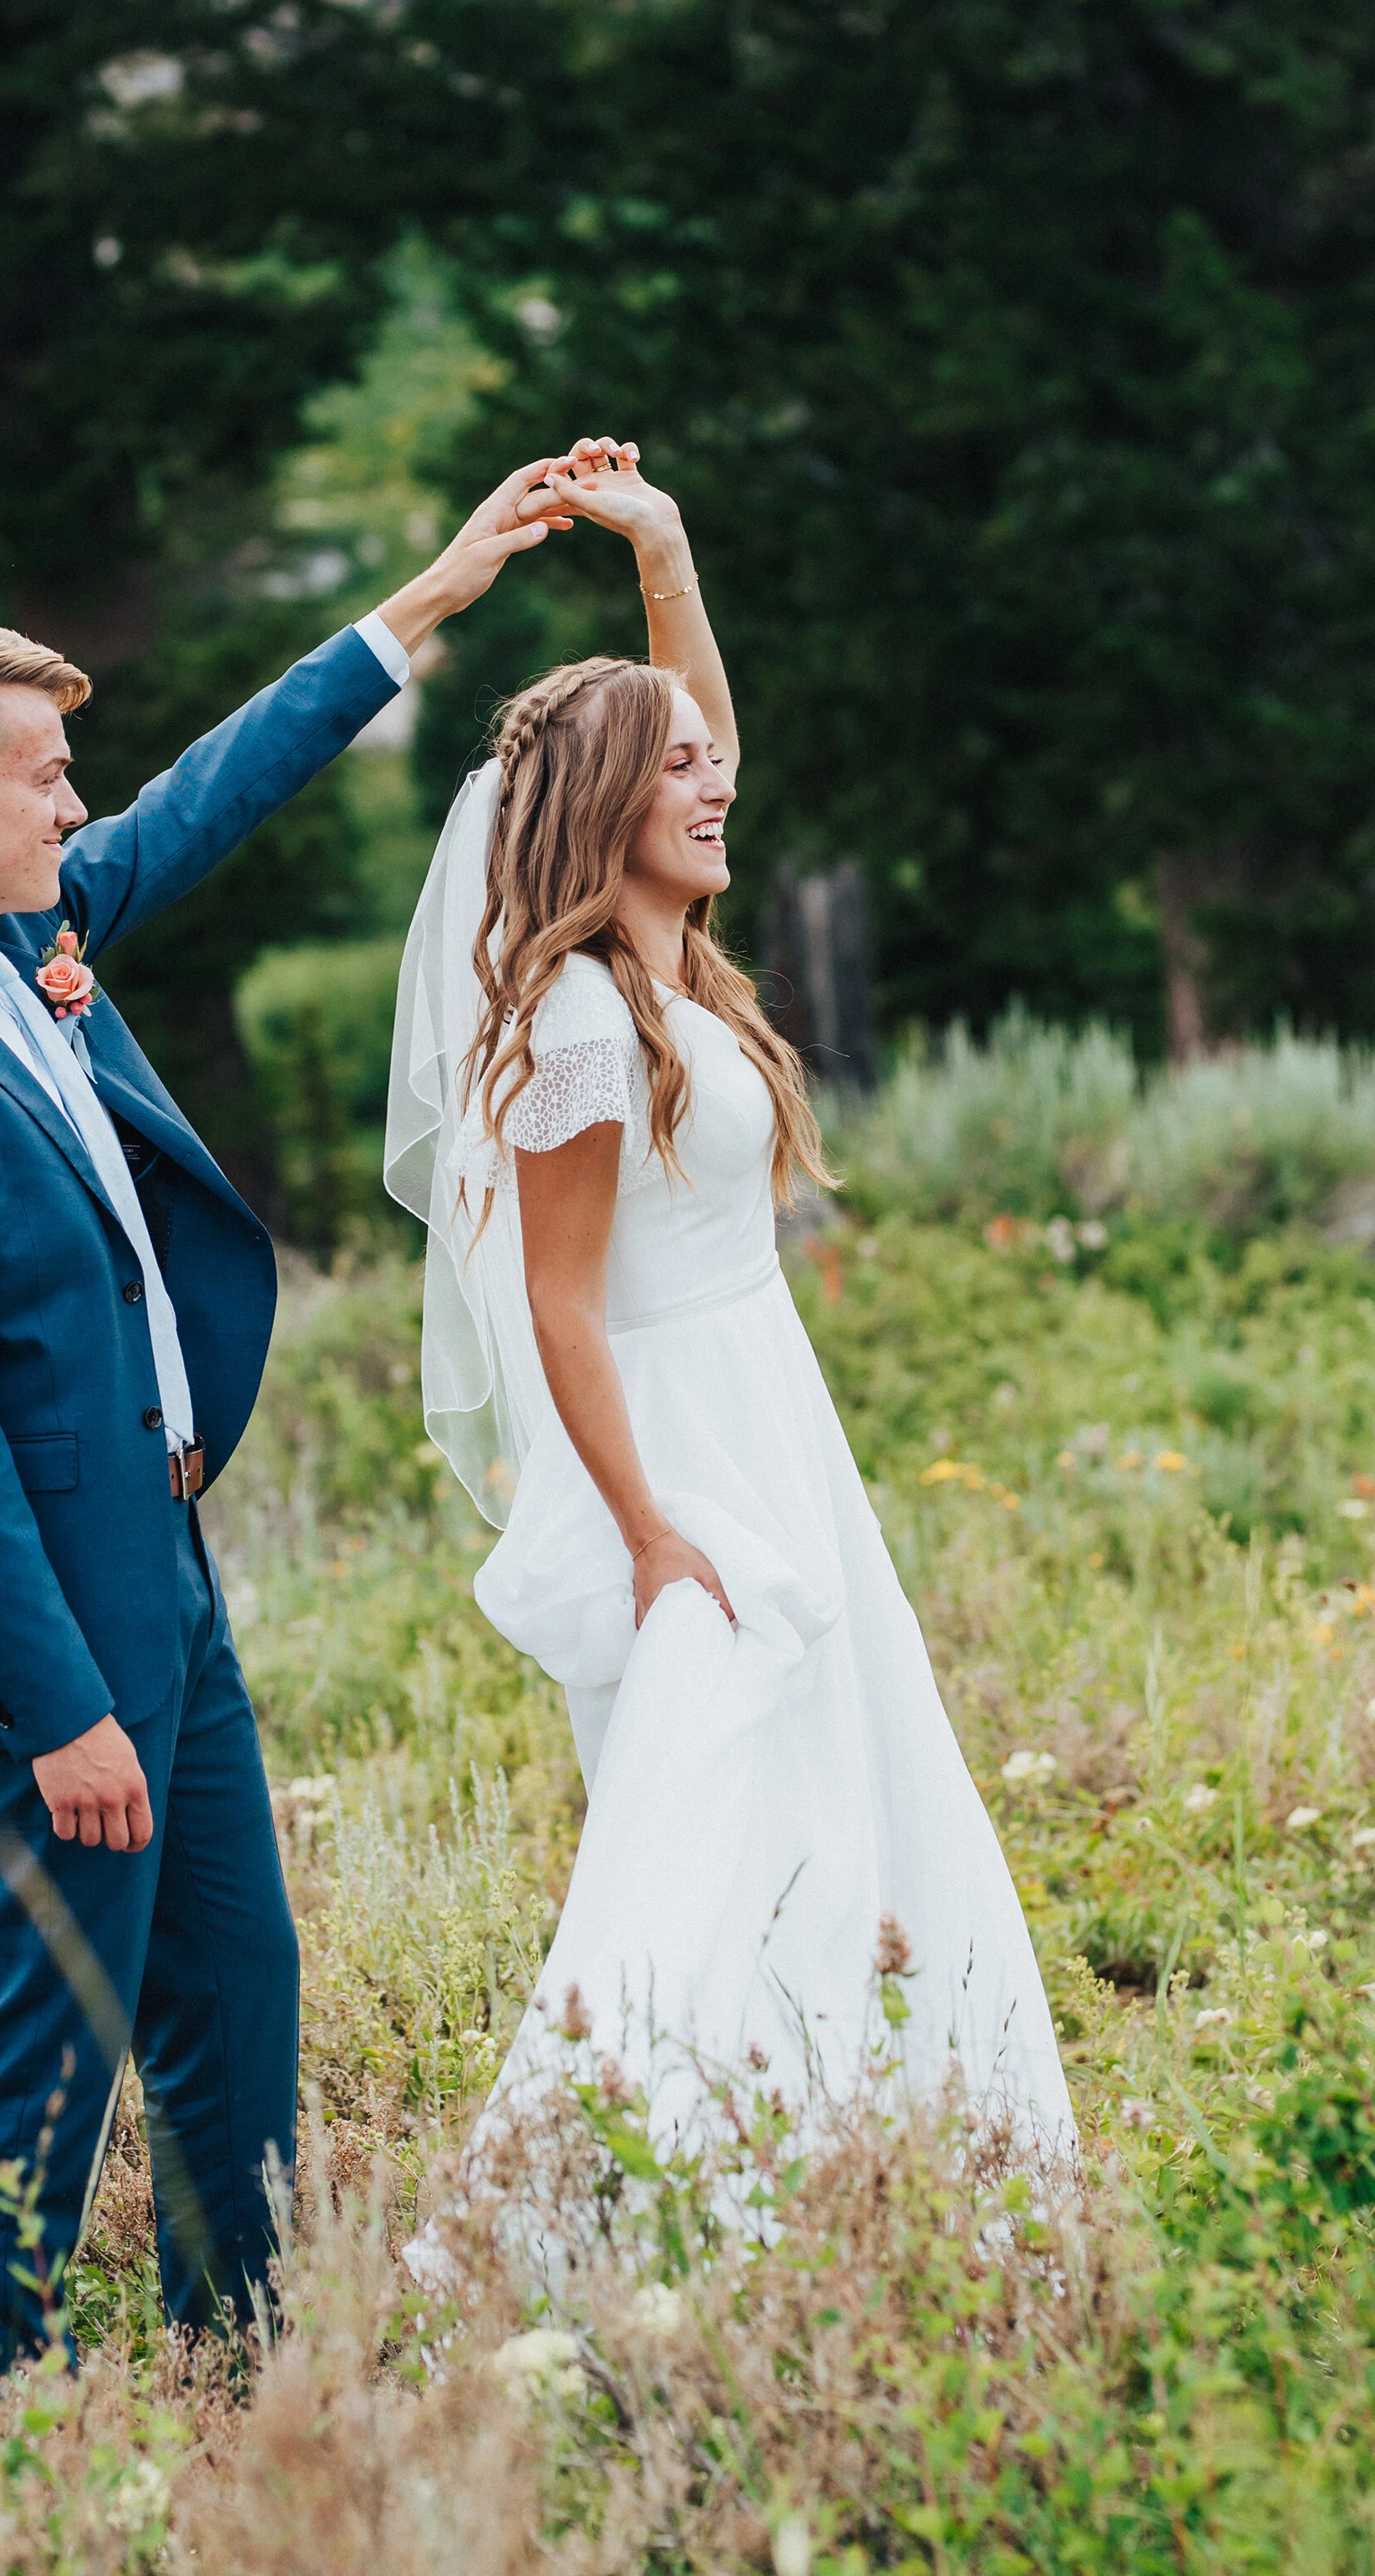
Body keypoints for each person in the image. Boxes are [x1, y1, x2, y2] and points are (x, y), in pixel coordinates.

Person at [0, 460, 567, 2370]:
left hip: (168, 1580)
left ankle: (243, 2365)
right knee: (45, 2052)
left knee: (235, 1992)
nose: (77, 804)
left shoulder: (16, 942)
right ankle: (4, 2424)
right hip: (49, 1649)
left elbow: (207, 795)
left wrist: (428, 602)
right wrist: (61, 1713)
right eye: (46, 772)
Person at [388, 440, 1074, 2157]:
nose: (719, 785)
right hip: (673, 1449)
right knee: (710, 1833)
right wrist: (648, 1535)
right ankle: (638, 2182)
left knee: (838, 1790)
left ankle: (855, 2152)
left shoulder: (665, 965)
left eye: (711, 765)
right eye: (680, 771)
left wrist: (664, 551)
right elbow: (556, 1307)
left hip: (766, 1410)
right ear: (606, 806)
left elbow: (706, 735)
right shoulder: (579, 1020)